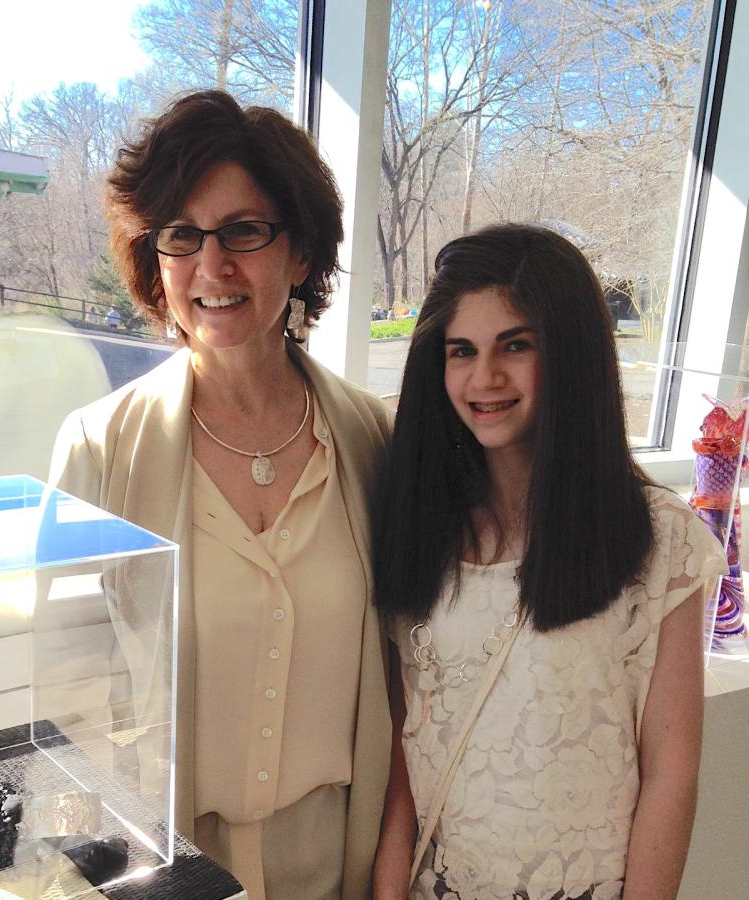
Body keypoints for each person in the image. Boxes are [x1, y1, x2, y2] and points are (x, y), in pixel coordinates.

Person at [49, 90, 392, 900]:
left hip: (335, 859)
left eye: (244, 230)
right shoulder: (99, 449)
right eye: (182, 236)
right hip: (165, 865)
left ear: (300, 253)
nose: (213, 266)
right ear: (154, 261)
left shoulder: (370, 440)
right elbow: (66, 706)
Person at [371, 224, 727, 900]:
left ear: (568, 355)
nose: (485, 378)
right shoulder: (421, 534)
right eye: (461, 351)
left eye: (516, 346)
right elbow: (404, 776)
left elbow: (670, 780)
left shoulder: (661, 543)